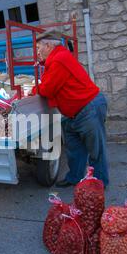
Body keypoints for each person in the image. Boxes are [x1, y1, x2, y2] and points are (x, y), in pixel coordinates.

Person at [32, 30, 109, 188]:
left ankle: (98, 185)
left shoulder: (59, 60)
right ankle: (75, 178)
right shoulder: (57, 58)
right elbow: (50, 82)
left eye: (39, 48)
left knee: (95, 150)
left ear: (48, 45)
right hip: (74, 112)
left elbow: (47, 89)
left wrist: (35, 89)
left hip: (88, 108)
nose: (37, 52)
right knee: (74, 150)